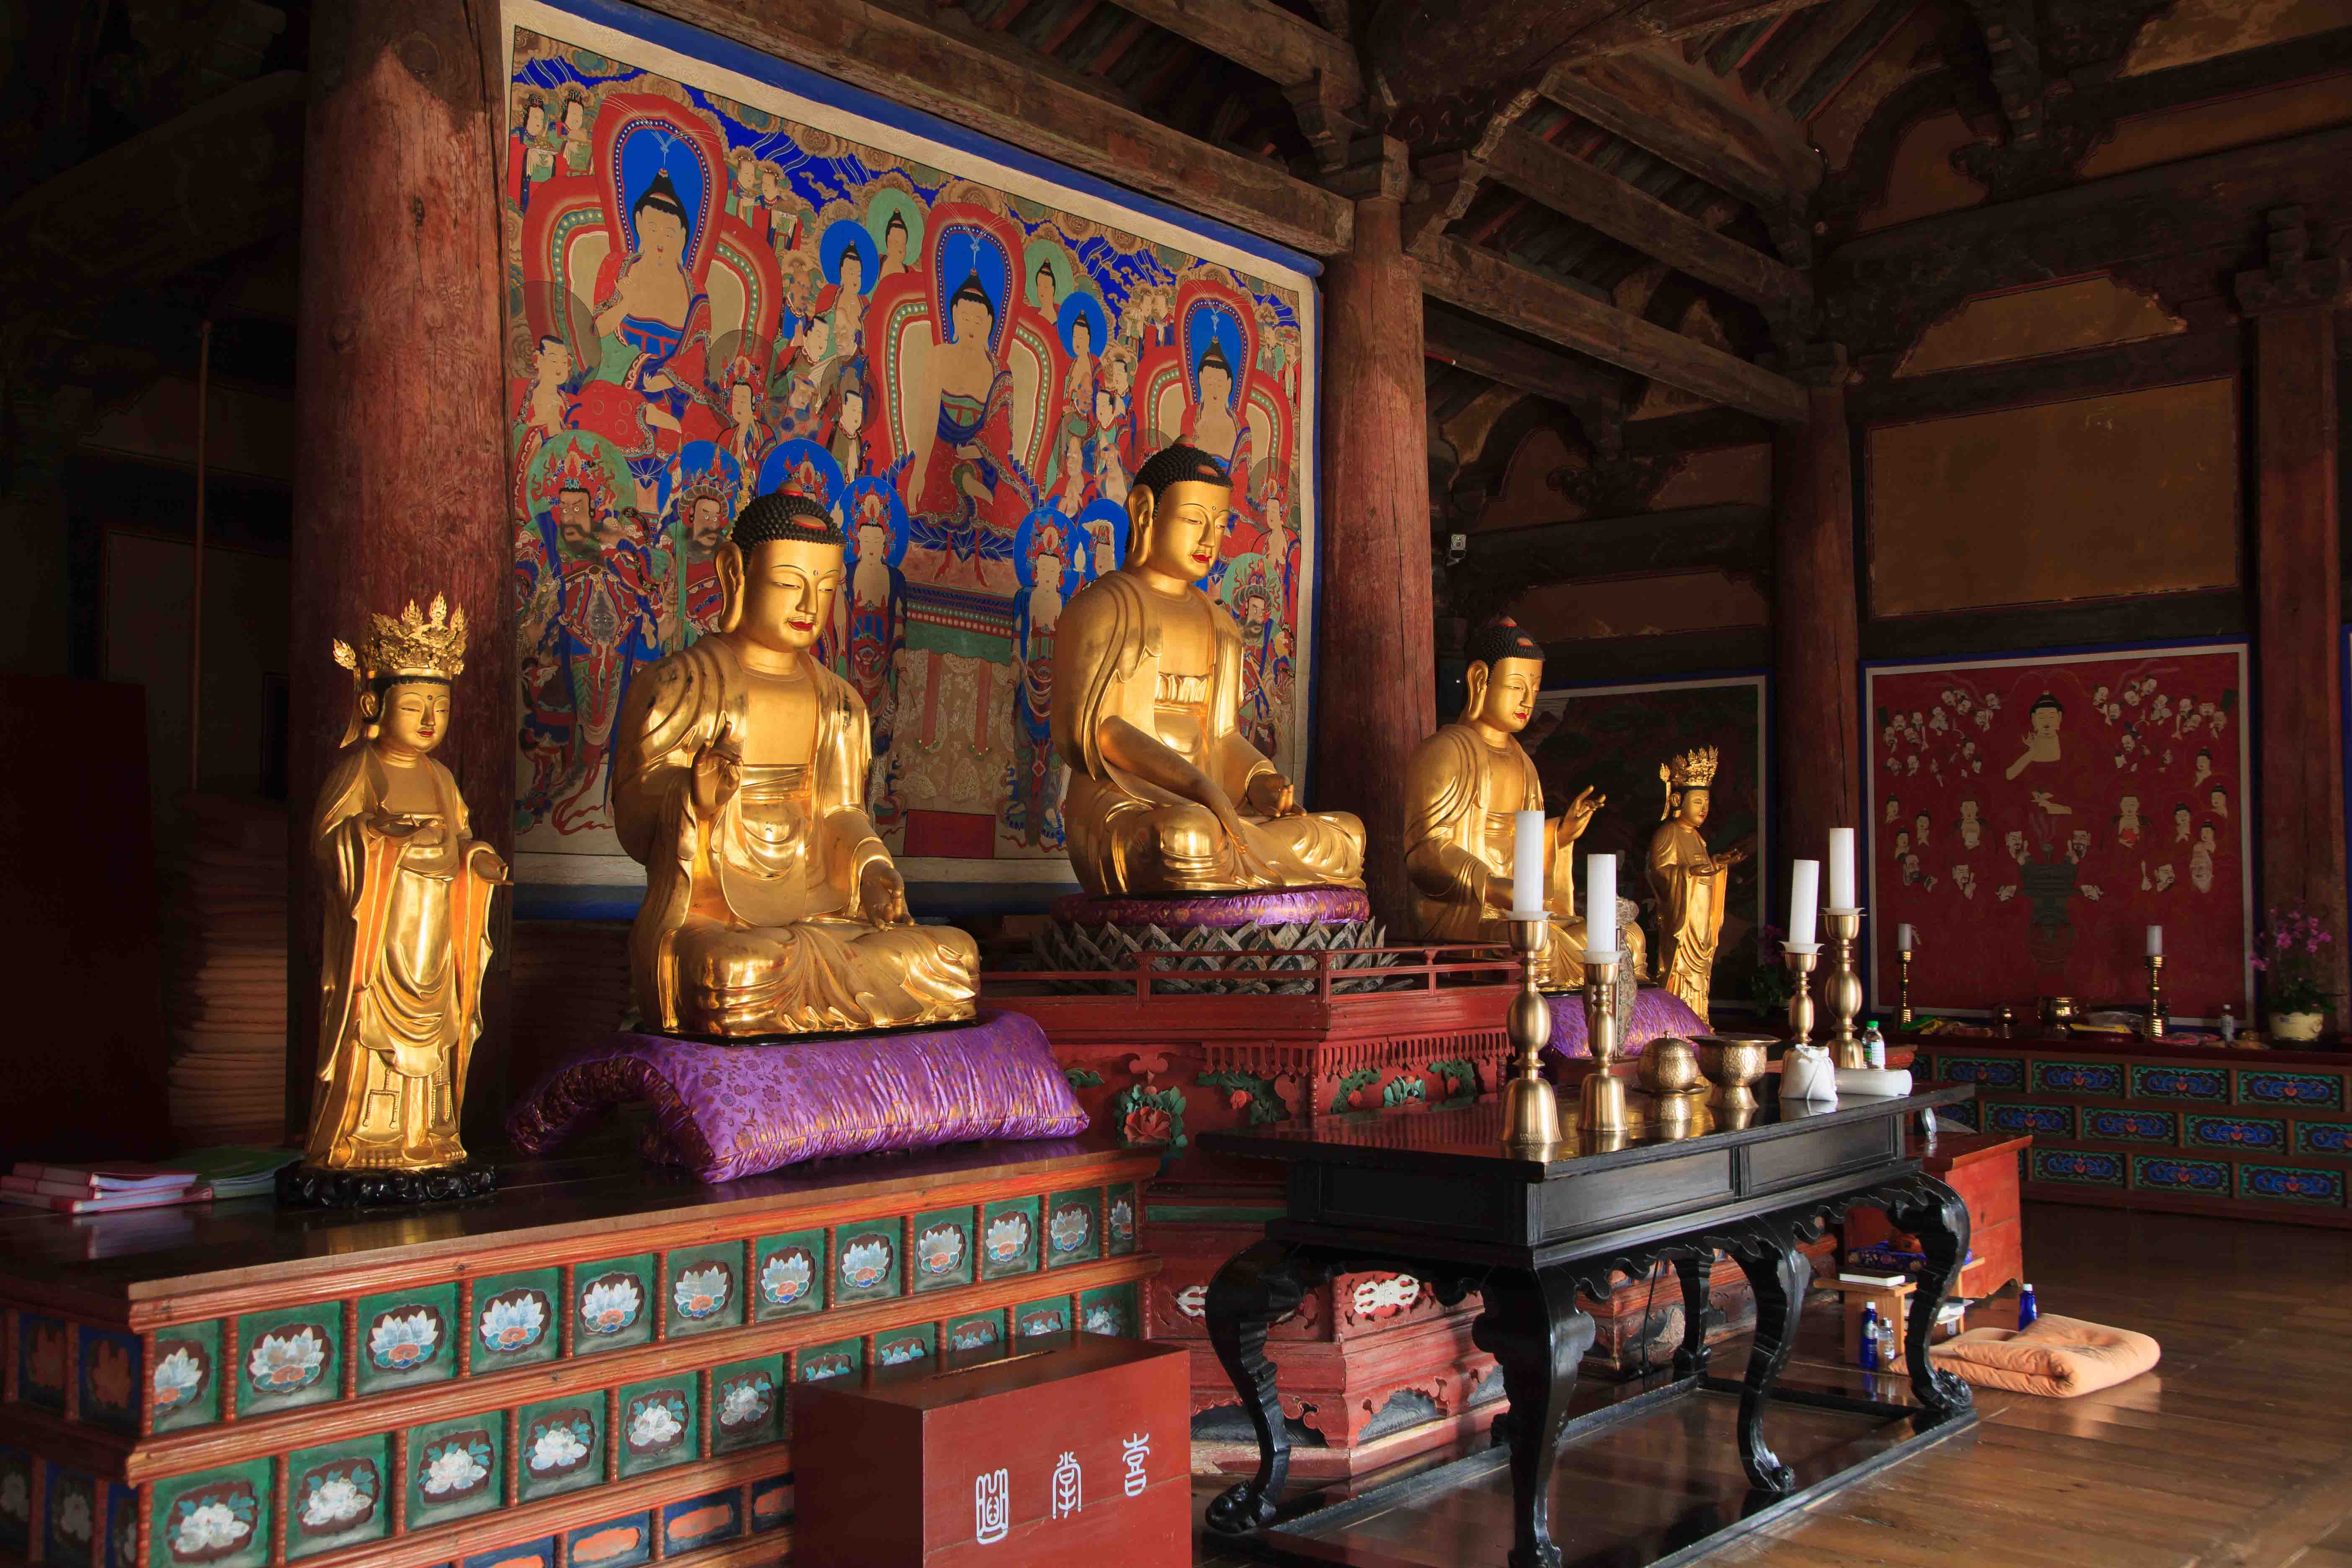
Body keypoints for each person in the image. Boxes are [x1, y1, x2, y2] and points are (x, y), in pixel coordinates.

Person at [612, 488, 979, 1035]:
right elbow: (633, 825)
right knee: (732, 971)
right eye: (790, 583)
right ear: (735, 573)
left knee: (953, 958)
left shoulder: (839, 702)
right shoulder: (682, 685)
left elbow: (842, 814)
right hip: (719, 917)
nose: (810, 605)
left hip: (823, 915)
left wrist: (873, 870)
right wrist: (693, 798)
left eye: (827, 588)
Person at [1050, 444, 1362, 893]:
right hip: (1127, 804)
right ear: (1144, 514)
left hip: (1216, 808)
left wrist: (1258, 781)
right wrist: (1199, 787)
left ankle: (1242, 866)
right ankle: (1239, 865)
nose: (1209, 541)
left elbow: (1222, 736)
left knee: (1346, 836)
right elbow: (1099, 733)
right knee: (1187, 838)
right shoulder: (1102, 608)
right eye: (1194, 521)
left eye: (1220, 525)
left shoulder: (1220, 626)